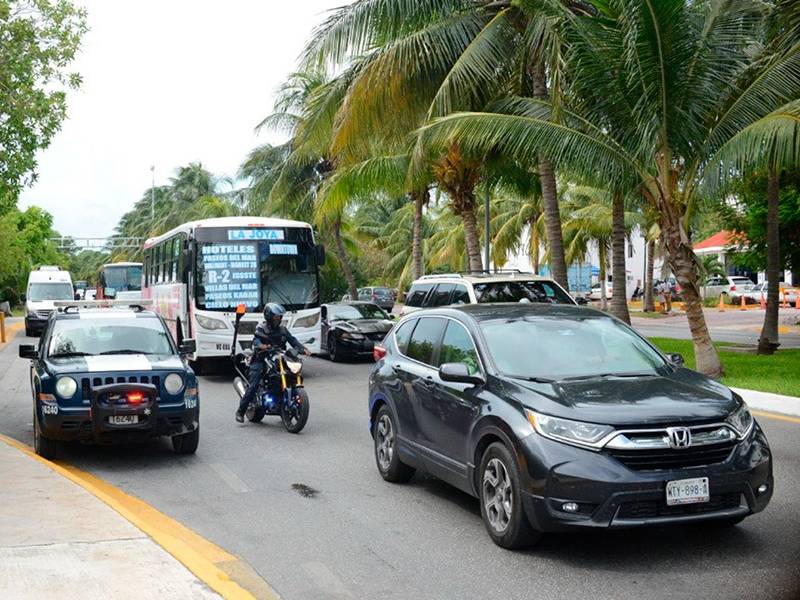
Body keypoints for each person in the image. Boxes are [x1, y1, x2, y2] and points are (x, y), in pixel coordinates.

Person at [236, 303, 311, 422]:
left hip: (277, 357)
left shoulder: (283, 330)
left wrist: (303, 349)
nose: (278, 319)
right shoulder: (261, 328)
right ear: (269, 317)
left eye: (279, 317)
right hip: (261, 359)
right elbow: (256, 341)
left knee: (290, 373)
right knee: (254, 385)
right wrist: (261, 346)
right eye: (275, 317)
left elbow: (293, 341)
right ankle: (241, 411)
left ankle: (284, 405)